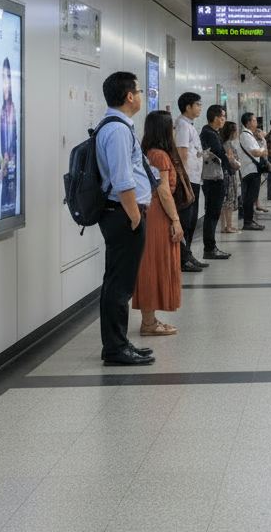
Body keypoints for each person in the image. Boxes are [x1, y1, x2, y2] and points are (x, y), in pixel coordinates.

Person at [94, 71, 158, 366]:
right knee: (119, 286)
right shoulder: (118, 130)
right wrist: (134, 216)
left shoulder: (118, 126)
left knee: (117, 283)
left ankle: (118, 343)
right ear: (129, 96)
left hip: (121, 214)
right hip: (123, 215)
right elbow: (122, 179)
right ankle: (116, 349)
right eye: (140, 91)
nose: (142, 96)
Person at [135, 110, 183, 336]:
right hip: (158, 214)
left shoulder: (146, 152)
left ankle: (150, 320)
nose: (173, 131)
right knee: (155, 265)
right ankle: (148, 324)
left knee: (148, 266)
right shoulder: (160, 156)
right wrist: (175, 219)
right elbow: (164, 191)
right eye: (171, 127)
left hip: (148, 212)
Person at [174, 92, 207, 273]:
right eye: (198, 105)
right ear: (188, 107)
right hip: (188, 179)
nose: (200, 108)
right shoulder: (182, 126)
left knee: (192, 220)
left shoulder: (189, 125)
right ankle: (182, 258)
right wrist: (184, 180)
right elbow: (181, 153)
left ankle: (187, 254)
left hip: (194, 178)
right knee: (187, 220)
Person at [199, 104, 232, 259]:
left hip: (213, 179)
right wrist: (231, 166)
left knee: (213, 213)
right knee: (212, 214)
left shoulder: (211, 132)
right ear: (215, 117)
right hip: (214, 179)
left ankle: (210, 247)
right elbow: (219, 154)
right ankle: (210, 248)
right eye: (222, 117)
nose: (223, 120)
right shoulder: (210, 133)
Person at [0, 57, 18, 218]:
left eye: (7, 79)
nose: (5, 84)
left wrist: (4, 164)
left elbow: (10, 145)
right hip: (6, 168)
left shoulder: (10, 108)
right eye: (3, 79)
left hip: (10, 168)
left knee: (8, 199)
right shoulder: (3, 108)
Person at [237, 111, 266, 230]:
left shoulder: (249, 134)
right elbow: (255, 152)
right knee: (250, 197)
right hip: (250, 170)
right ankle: (248, 222)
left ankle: (250, 220)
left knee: (251, 197)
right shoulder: (245, 135)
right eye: (254, 120)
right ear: (248, 123)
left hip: (253, 169)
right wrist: (263, 149)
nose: (256, 123)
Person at [219, 120, 242, 234]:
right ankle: (228, 226)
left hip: (224, 174)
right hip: (229, 175)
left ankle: (224, 226)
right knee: (228, 202)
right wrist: (238, 164)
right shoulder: (228, 145)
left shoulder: (222, 143)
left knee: (224, 202)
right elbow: (231, 161)